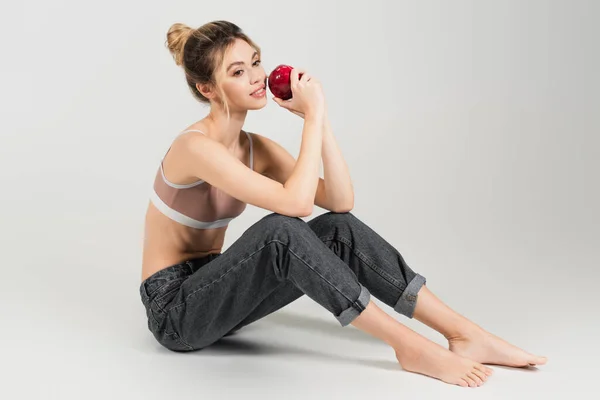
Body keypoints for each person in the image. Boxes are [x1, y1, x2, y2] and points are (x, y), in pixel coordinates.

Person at [139, 20, 547, 388]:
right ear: (206, 89)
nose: (257, 77)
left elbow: (339, 200)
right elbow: (295, 207)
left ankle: (463, 334)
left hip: (217, 290)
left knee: (338, 228)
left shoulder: (253, 148)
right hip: (175, 311)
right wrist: (312, 120)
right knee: (280, 231)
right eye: (237, 72)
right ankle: (409, 347)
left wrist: (318, 118)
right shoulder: (194, 147)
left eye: (256, 62)